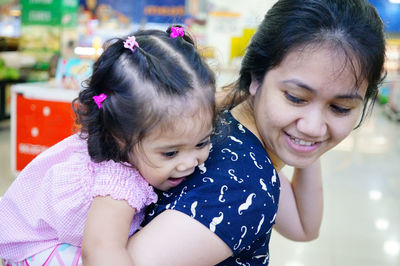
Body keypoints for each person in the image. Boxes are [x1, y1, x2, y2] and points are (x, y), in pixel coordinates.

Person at [126, 0, 386, 265]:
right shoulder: (243, 183)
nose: (313, 125)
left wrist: (308, 142)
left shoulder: (233, 132)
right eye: (296, 98)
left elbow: (303, 227)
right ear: (255, 78)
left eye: (340, 107)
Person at [0, 26, 216, 265]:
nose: (189, 162)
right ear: (119, 137)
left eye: (202, 142)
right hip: (35, 249)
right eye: (170, 153)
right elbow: (101, 252)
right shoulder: (118, 184)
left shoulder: (133, 136)